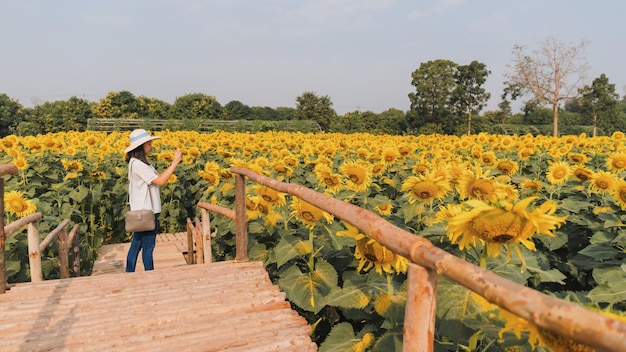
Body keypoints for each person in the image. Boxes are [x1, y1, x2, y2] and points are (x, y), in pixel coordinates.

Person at [124, 129, 182, 272]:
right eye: (149, 143)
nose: (151, 145)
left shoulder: (141, 163)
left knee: (136, 244)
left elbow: (159, 177)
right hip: (147, 212)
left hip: (143, 211)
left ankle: (129, 273)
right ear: (141, 146)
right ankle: (150, 276)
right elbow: (161, 181)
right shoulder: (138, 164)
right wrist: (174, 163)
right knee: (148, 247)